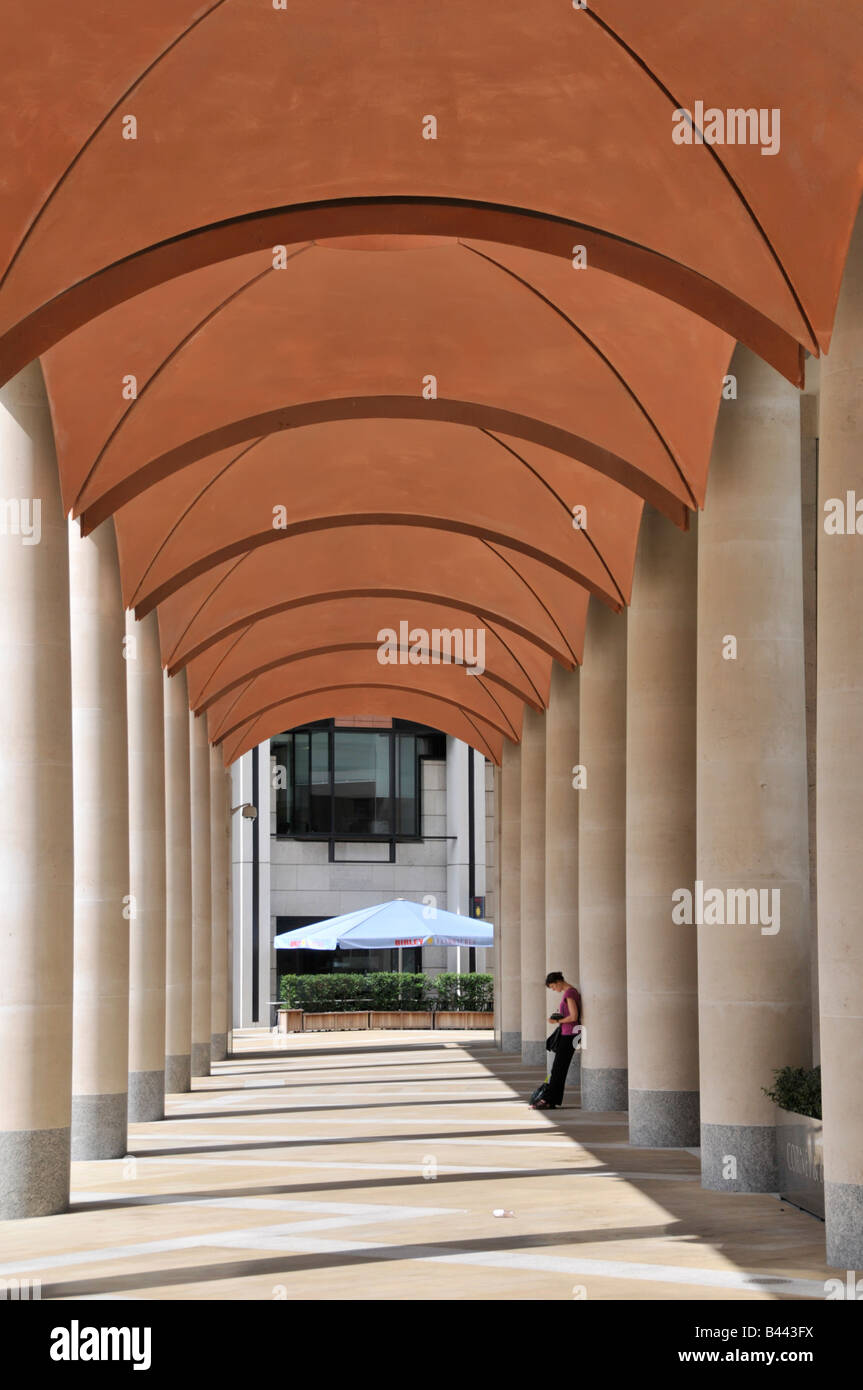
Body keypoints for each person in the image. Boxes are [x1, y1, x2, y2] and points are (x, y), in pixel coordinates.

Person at [530, 971, 581, 1109]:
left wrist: (556, 1020)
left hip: (570, 1034)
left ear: (559, 982)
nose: (553, 989)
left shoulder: (569, 993)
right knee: (559, 1068)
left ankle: (548, 1100)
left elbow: (574, 1016)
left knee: (558, 1069)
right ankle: (551, 1100)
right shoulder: (571, 992)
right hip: (569, 1034)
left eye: (553, 986)